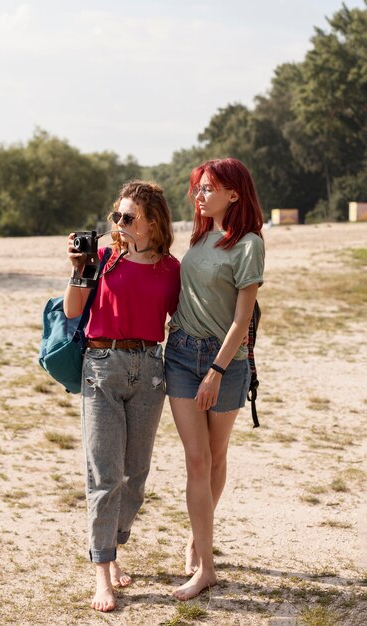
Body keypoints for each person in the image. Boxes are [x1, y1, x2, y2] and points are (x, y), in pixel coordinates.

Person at [64, 180, 180, 612]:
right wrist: (80, 268)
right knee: (104, 476)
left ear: (152, 223)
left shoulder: (171, 269)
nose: (119, 224)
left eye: (128, 218)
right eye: (116, 215)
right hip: (102, 368)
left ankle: (113, 545)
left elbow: (182, 322)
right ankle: (103, 573)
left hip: (150, 371)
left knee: (135, 478)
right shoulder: (105, 259)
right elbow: (74, 311)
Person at [164, 157, 264, 601]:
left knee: (217, 458)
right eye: (198, 187)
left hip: (226, 362)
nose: (199, 194)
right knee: (197, 460)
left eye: (208, 187)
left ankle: (196, 539)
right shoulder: (199, 235)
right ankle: (207, 566)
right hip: (182, 355)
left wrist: (218, 372)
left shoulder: (248, 244)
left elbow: (242, 320)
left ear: (234, 193)